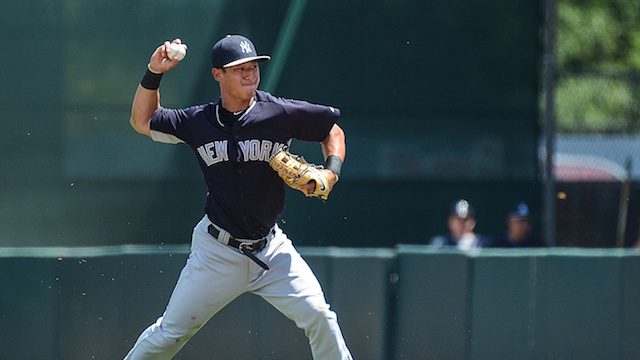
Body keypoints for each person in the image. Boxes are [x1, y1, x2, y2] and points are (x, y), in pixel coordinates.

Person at [124, 35, 352, 359]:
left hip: (271, 251)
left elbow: (333, 130)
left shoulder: (278, 113)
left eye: (253, 67)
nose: (249, 74)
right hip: (217, 251)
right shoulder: (197, 122)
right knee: (168, 336)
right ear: (218, 74)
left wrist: (330, 172)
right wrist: (153, 72)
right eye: (239, 69)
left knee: (320, 317)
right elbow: (142, 120)